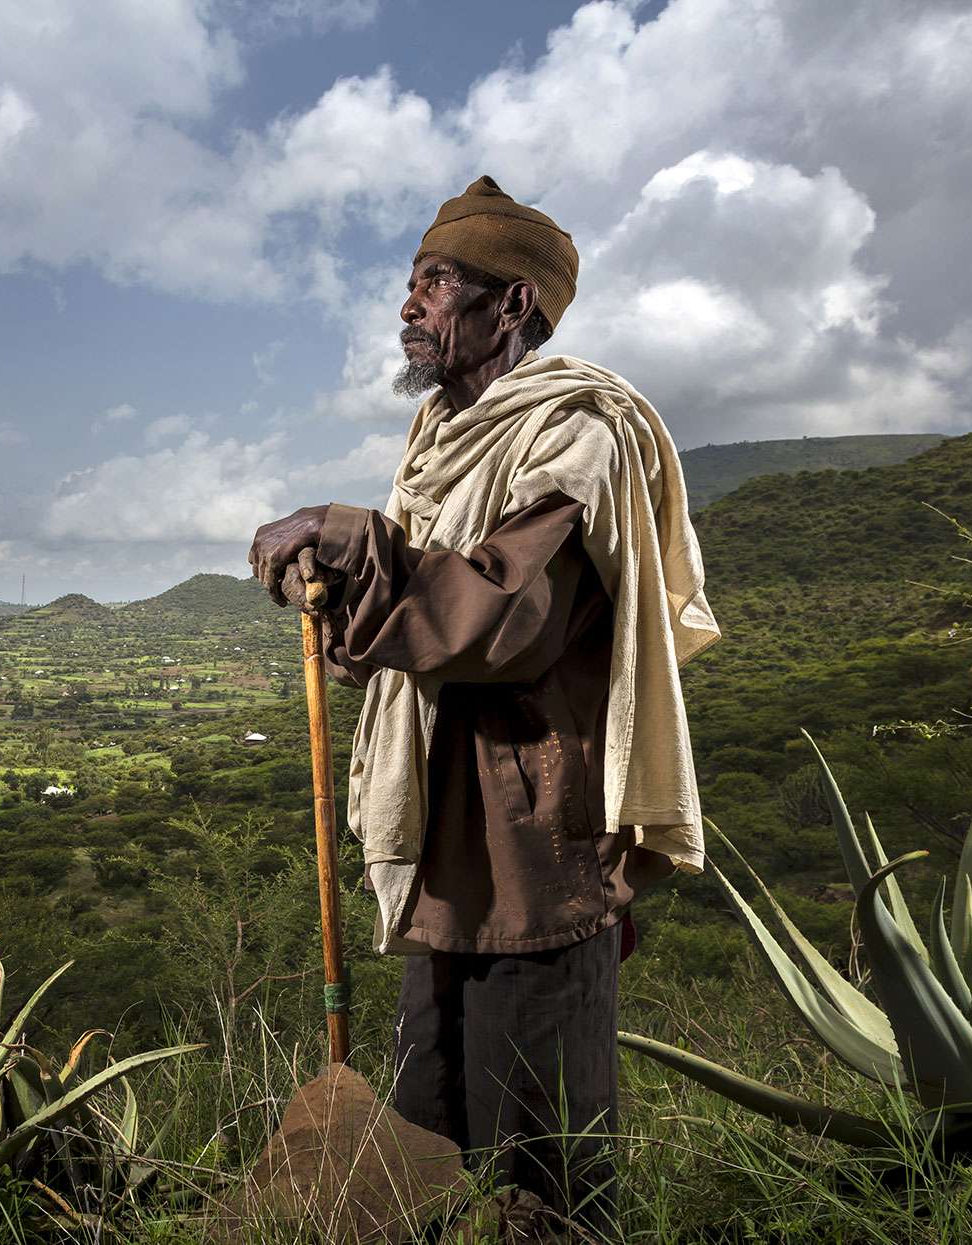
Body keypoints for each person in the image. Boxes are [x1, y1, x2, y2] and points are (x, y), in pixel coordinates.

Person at [247, 175, 720, 1231]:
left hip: (536, 847)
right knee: (434, 1125)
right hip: (449, 846)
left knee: (542, 1153)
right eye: (410, 283)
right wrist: (341, 580)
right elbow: (414, 617)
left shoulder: (574, 437)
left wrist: (346, 535)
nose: (407, 306)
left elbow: (500, 623)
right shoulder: (442, 437)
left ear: (511, 306)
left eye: (435, 282)